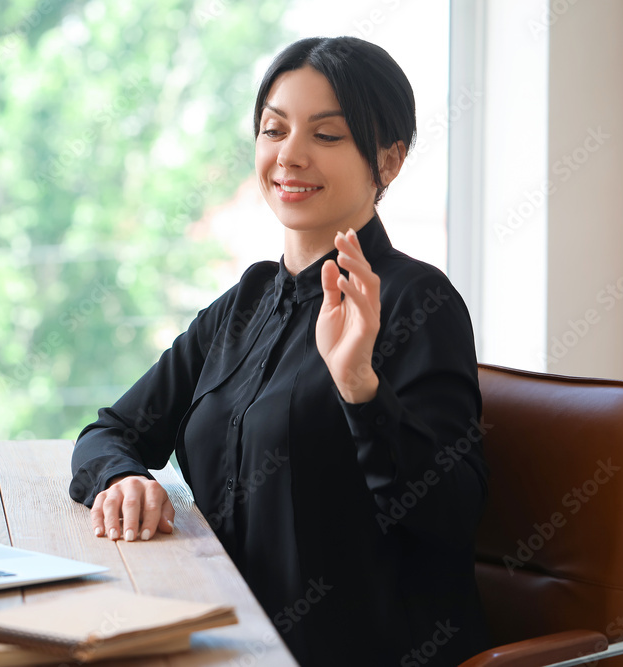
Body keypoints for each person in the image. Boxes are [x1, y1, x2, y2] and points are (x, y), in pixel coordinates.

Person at [69, 36, 490, 665]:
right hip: (215, 635)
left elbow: (452, 515)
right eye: (274, 129)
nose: (289, 155)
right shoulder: (248, 301)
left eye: (327, 136)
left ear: (390, 159)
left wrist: (358, 388)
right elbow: (111, 431)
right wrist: (124, 478)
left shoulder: (417, 302)